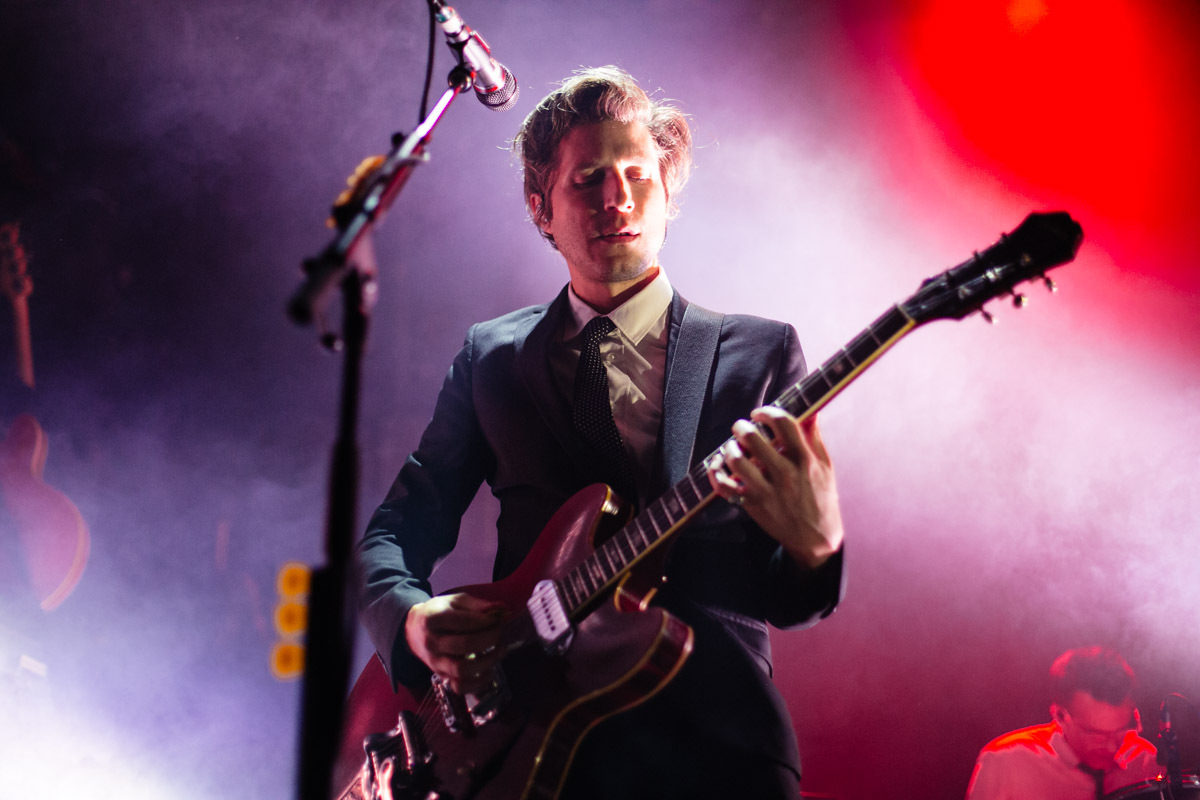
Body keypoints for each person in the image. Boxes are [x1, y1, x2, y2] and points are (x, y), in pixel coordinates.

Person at [355, 66, 846, 799]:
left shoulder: (761, 354)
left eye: (636, 174)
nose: (616, 197)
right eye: (586, 179)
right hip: (528, 749)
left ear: (668, 194)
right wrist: (416, 624)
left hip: (714, 743)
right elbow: (392, 535)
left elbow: (786, 598)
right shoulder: (491, 356)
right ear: (540, 208)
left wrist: (816, 548)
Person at [966, 646, 1160, 800]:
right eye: (1096, 734)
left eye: (1122, 731)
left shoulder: (1145, 760)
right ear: (1059, 715)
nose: (1111, 746)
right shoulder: (1006, 761)